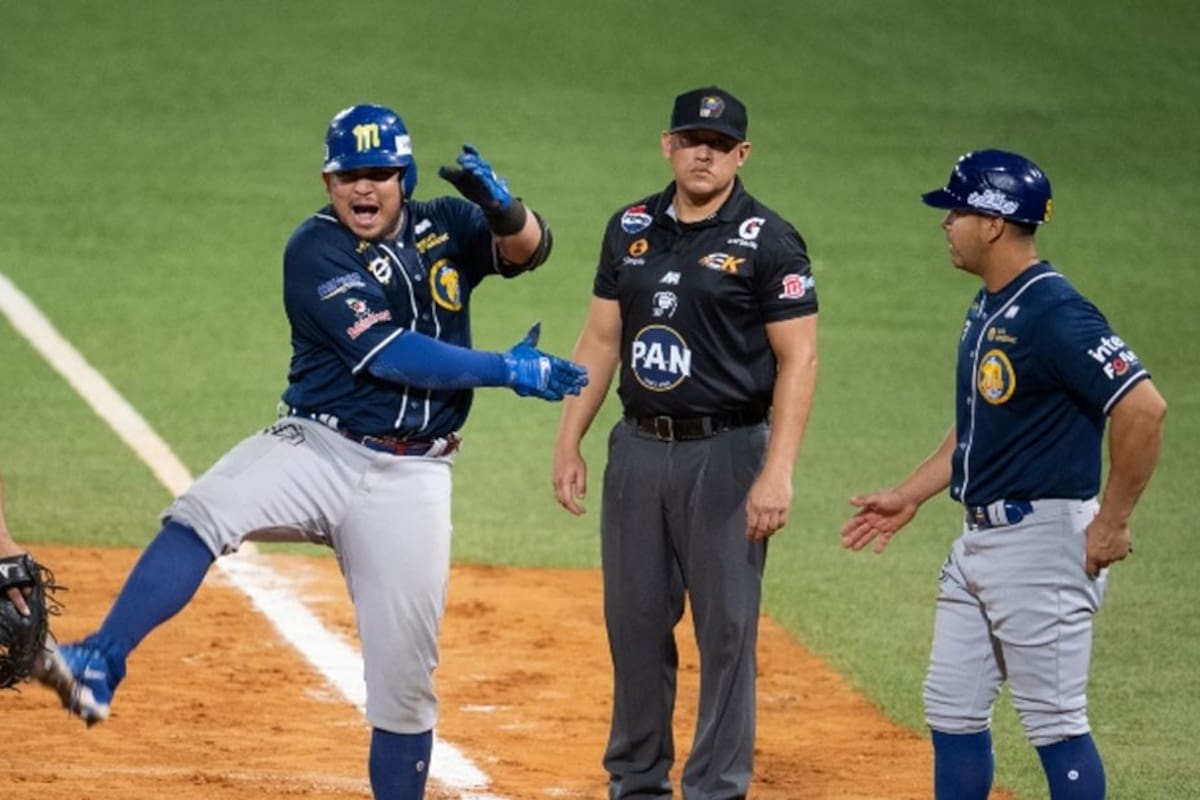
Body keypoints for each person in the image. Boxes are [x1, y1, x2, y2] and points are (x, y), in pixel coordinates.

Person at [36, 103, 587, 800]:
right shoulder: (315, 250)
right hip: (318, 447)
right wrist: (505, 369)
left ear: (406, 176)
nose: (364, 188)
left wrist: (505, 210)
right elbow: (390, 353)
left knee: (405, 688)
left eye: (379, 173)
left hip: (415, 476)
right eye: (348, 176)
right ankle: (100, 660)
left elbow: (530, 250)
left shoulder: (445, 222)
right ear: (328, 182)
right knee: (206, 510)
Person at [840, 149, 1167, 799]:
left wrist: (1113, 521)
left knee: (1055, 723)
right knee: (951, 708)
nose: (946, 224)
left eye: (956, 211)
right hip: (982, 541)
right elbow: (979, 421)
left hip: (1042, 546)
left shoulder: (1055, 312)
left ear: (992, 224)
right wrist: (910, 495)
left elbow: (1144, 408)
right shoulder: (993, 303)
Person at [552, 86, 819, 799]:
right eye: (692, 140)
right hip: (638, 449)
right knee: (634, 625)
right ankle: (637, 782)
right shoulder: (629, 227)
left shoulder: (770, 240)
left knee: (725, 632)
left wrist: (778, 471)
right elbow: (601, 337)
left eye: (721, 144)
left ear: (742, 154)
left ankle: (715, 789)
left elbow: (799, 359)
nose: (705, 154)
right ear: (667, 145)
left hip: (727, 453)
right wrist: (570, 437)